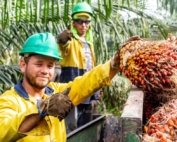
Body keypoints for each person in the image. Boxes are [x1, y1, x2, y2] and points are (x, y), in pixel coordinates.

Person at [0, 32, 121, 142]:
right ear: (23, 65)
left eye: (50, 66)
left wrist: (114, 64)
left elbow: (85, 83)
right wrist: (42, 109)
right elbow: (4, 131)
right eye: (39, 64)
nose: (45, 71)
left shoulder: (56, 92)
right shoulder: (9, 100)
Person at [57, 2, 101, 133]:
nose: (83, 25)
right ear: (73, 23)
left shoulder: (89, 44)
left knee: (85, 124)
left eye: (87, 22)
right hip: (72, 88)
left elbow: (91, 67)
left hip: (87, 88)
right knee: (71, 125)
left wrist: (96, 90)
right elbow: (62, 44)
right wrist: (62, 38)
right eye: (80, 21)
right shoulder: (70, 40)